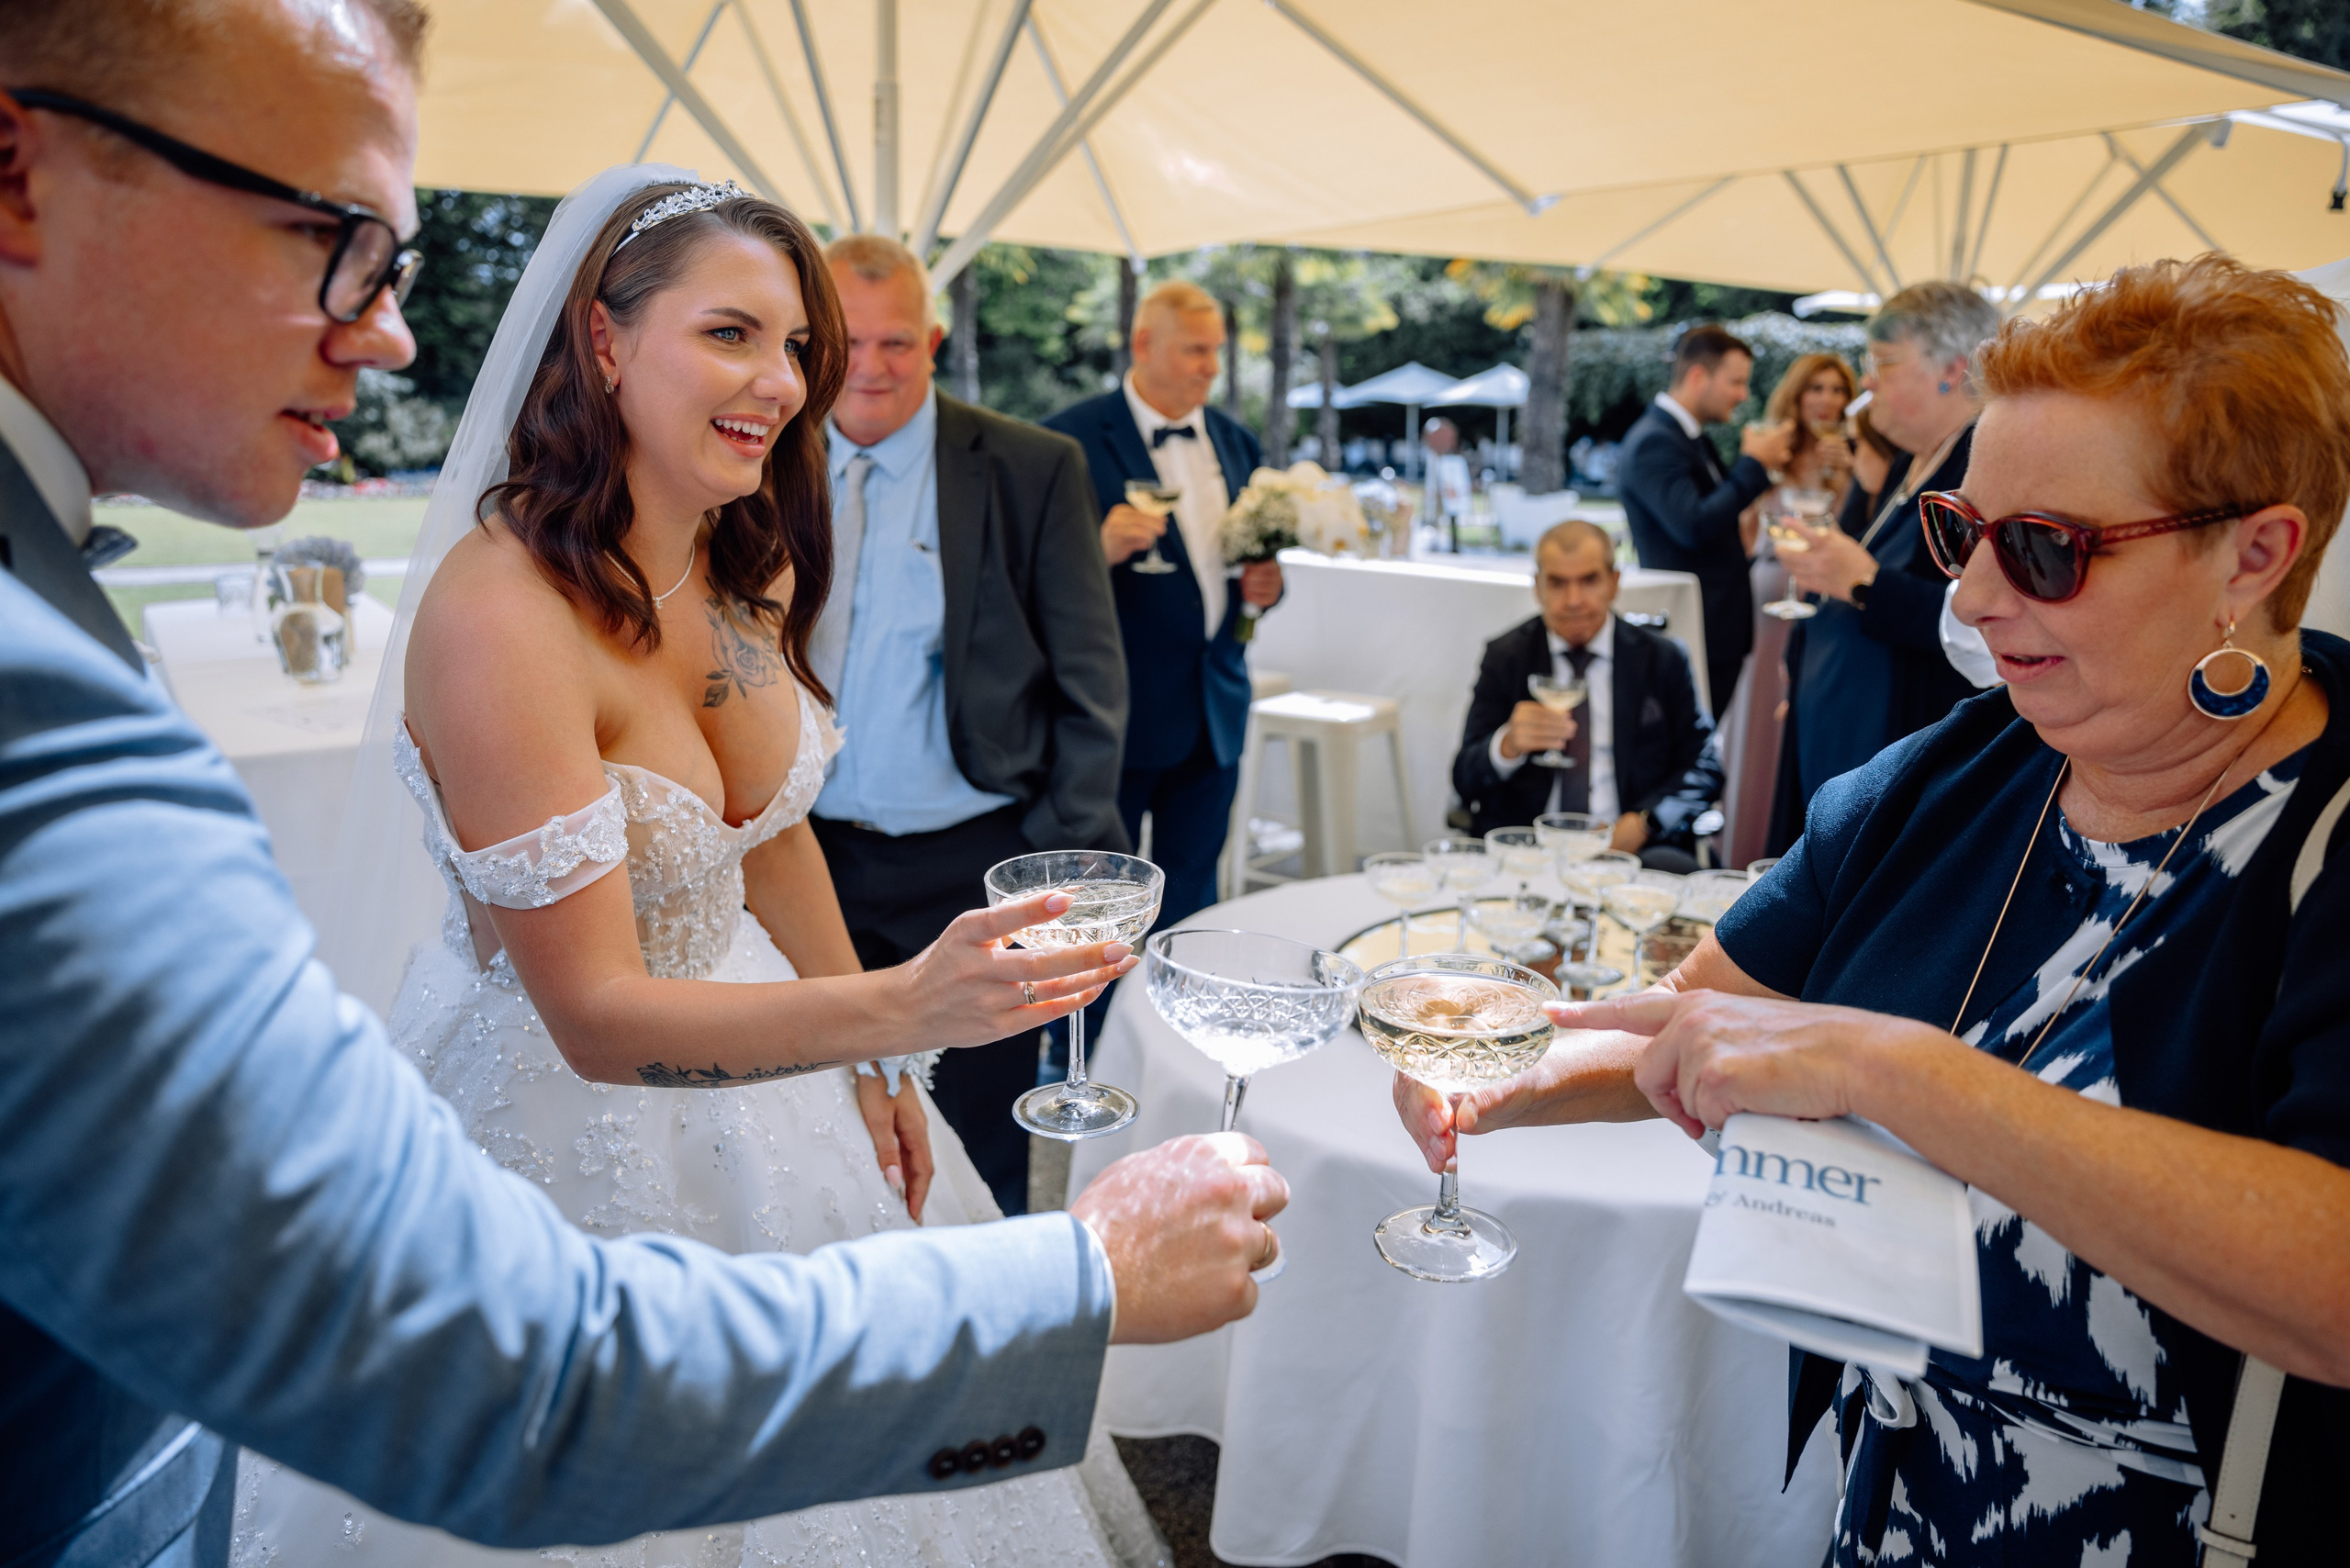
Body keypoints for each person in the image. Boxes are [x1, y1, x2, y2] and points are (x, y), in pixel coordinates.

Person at [0, 8, 1286, 1565]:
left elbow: (767, 830)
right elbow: (527, 1337)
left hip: (791, 1064)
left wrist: (872, 1050)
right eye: (331, 237)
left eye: (798, 343)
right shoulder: (476, 617)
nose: (393, 329)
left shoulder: (744, 563)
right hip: (572, 1111)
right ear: (604, 342)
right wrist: (917, 1027)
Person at [1397, 255, 2350, 1565]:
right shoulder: (1950, 777)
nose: (1970, 597)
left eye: (2045, 550)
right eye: (1962, 533)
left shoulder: (2328, 836)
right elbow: (1699, 1021)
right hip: (1897, 1514)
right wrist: (1500, 1066)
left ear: (2254, 555)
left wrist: (1894, 1069)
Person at [802, 234, 1127, 1218]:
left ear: (933, 340)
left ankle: (986, 1343)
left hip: (971, 860)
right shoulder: (760, 458)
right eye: (845, 342)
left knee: (974, 1135)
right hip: (795, 856)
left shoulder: (1030, 466)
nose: (869, 366)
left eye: (896, 341)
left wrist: (1053, 859)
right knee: (808, 1117)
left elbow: (1090, 676)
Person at [1044, 279, 1281, 928]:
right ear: (1144, 344)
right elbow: (1023, 580)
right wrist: (1099, 547)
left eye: (1217, 353)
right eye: (1196, 351)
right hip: (1114, 719)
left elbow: (1240, 565)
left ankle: (1175, 1029)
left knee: (1193, 907)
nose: (1211, 368)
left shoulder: (1236, 443)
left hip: (1214, 715)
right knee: (1096, 913)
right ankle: (1092, 1034)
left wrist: (1268, 587)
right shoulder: (1065, 442)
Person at [1765, 281, 1998, 852]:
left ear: (1951, 369)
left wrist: (1864, 583)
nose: (1867, 381)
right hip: (1839, 726)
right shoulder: (1908, 465)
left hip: (1893, 742)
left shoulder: (1977, 472)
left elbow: (1980, 626)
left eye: (1883, 363)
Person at [1451, 520, 1721, 869]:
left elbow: (1704, 766)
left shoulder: (1662, 659)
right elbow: (1463, 778)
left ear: (1614, 582)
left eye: (1589, 580)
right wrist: (1508, 744)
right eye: (1558, 583)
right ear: (1538, 588)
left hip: (1628, 853)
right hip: (1528, 853)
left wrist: (1645, 821)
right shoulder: (1507, 657)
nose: (1574, 600)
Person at [1618, 324, 1794, 717]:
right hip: (1692, 632)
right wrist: (1755, 464)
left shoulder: (1689, 436)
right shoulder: (1656, 441)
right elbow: (1693, 525)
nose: (1743, 395)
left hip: (1713, 632)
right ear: (1698, 376)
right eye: (1735, 382)